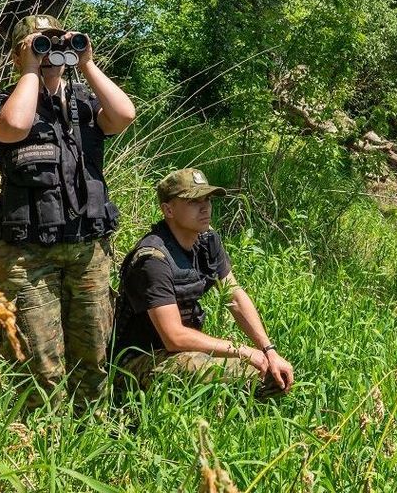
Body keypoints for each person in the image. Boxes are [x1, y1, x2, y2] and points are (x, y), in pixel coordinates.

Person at [0, 14, 136, 409]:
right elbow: (14, 127)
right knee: (39, 362)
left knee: (93, 356)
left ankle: (90, 432)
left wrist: (86, 63)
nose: (49, 49)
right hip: (27, 256)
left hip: (87, 250)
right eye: (39, 42)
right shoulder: (3, 103)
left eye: (55, 41)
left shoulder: (85, 104)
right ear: (16, 54)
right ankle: (39, 442)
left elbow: (124, 115)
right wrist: (32, 70)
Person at [112, 168, 295, 396]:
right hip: (138, 361)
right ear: (168, 209)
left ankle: (229, 420)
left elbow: (234, 296)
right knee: (252, 377)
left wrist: (269, 351)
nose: (205, 207)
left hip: (183, 353)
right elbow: (174, 337)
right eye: (193, 201)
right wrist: (243, 351)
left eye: (207, 199)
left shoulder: (207, 241)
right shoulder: (152, 259)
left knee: (275, 374)